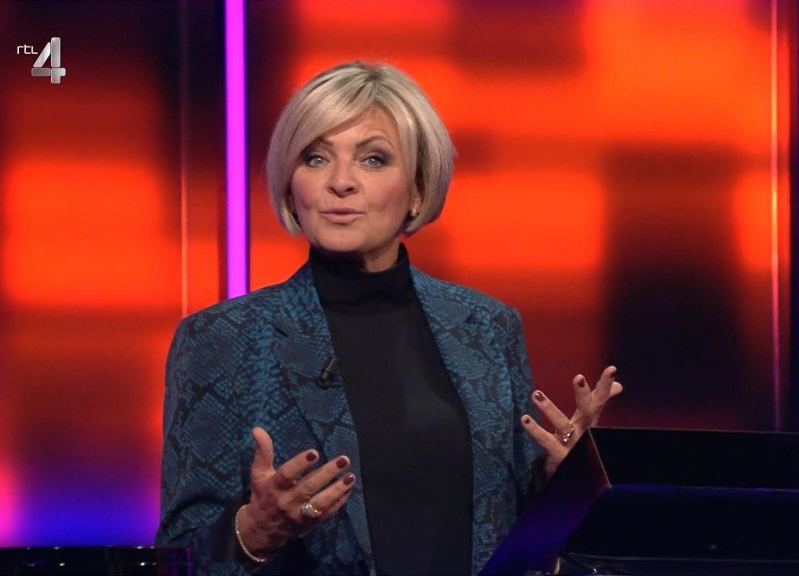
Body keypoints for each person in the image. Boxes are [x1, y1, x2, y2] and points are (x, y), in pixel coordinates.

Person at [154, 61, 623, 575]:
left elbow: (512, 533)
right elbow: (180, 556)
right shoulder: (223, 338)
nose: (340, 182)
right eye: (315, 157)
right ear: (290, 185)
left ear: (418, 190)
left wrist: (564, 483)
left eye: (373, 159)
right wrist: (253, 531)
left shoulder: (487, 327)